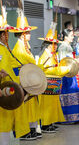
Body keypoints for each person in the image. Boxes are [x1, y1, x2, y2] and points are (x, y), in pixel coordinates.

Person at [10, 8, 41, 140]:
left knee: (31, 105)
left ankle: (31, 127)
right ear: (22, 34)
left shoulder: (25, 47)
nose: (29, 34)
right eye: (27, 32)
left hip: (30, 80)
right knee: (25, 106)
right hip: (24, 81)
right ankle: (25, 130)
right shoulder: (19, 49)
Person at [0, 15, 30, 144]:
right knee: (3, 122)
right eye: (5, 34)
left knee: (6, 121)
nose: (7, 37)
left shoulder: (5, 49)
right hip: (2, 88)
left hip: (7, 88)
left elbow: (13, 65)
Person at [38, 25, 72, 131]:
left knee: (52, 104)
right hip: (48, 83)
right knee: (47, 105)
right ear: (49, 46)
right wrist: (65, 69)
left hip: (53, 83)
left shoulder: (52, 55)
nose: (56, 47)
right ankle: (45, 124)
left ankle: (50, 122)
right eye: (55, 45)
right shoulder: (45, 56)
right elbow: (49, 70)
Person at [58, 28, 79, 123]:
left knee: (77, 91)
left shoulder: (67, 46)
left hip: (73, 70)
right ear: (65, 37)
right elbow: (65, 62)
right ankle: (70, 117)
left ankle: (77, 115)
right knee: (70, 93)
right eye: (71, 36)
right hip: (68, 73)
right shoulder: (63, 47)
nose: (73, 37)